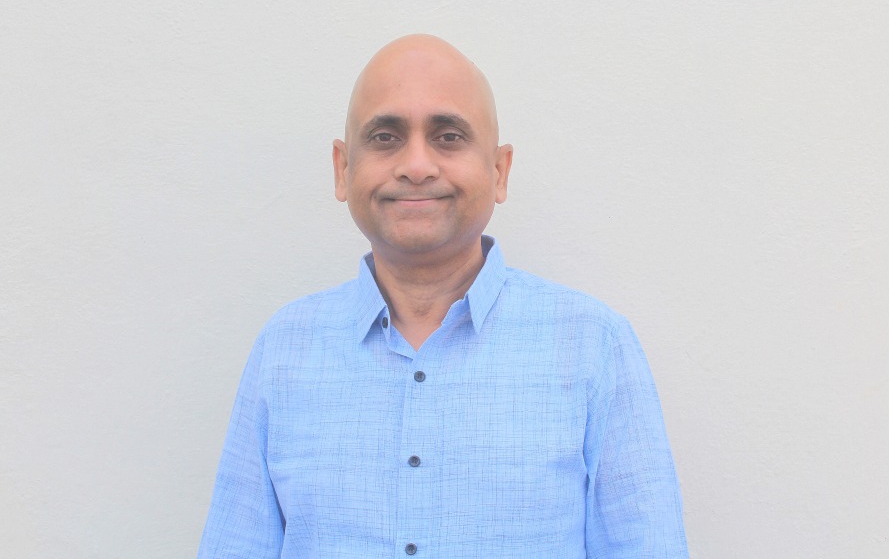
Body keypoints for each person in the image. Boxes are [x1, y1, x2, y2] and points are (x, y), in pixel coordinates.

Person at [198, 34, 689, 558]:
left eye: (448, 136)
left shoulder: (592, 345)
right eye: (385, 137)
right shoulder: (286, 347)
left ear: (499, 171)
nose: (416, 165)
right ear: (343, 169)